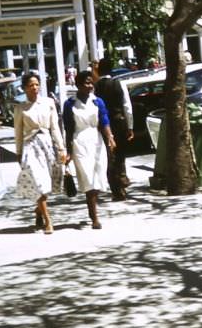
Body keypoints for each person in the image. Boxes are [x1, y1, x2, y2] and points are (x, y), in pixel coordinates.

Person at [14, 73, 66, 235]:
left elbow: (55, 127)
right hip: (30, 147)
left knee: (48, 183)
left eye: (37, 84)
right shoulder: (20, 108)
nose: (34, 88)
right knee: (39, 181)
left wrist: (61, 147)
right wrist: (18, 152)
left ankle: (39, 211)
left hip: (46, 145)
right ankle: (48, 221)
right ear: (24, 88)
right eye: (31, 85)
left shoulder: (49, 103)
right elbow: (18, 132)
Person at [63, 70, 116, 229]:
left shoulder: (97, 101)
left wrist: (110, 138)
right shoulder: (70, 104)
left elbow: (104, 121)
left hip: (96, 140)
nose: (90, 85)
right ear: (78, 84)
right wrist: (69, 151)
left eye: (91, 82)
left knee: (97, 177)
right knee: (87, 178)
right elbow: (68, 128)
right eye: (86, 83)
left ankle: (92, 207)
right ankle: (94, 217)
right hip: (79, 141)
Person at [95, 57, 134, 201]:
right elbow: (127, 106)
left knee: (108, 155)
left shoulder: (96, 86)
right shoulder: (119, 83)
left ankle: (116, 188)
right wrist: (130, 126)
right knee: (120, 154)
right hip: (119, 122)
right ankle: (122, 182)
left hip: (104, 125)